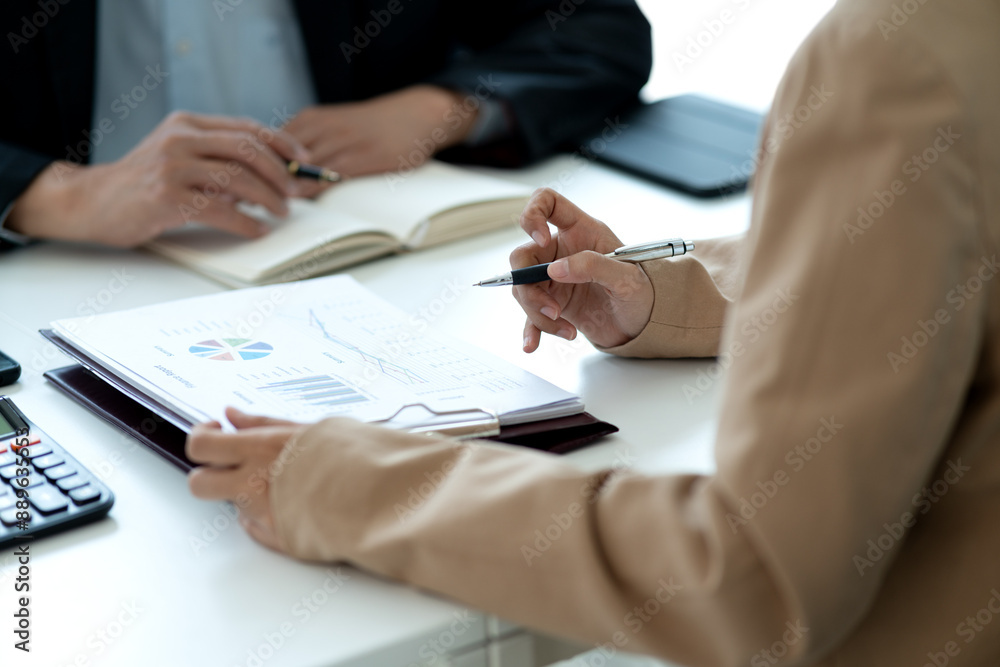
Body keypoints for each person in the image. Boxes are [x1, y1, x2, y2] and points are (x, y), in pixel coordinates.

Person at [184, 0, 1000, 663]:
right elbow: (932, 265)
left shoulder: (897, 61)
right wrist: (662, 294)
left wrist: (343, 485)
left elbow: (750, 578)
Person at [0, 0, 651, 248]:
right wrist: (54, 196)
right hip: (61, 279)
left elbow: (603, 26)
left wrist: (437, 108)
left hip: (368, 261)